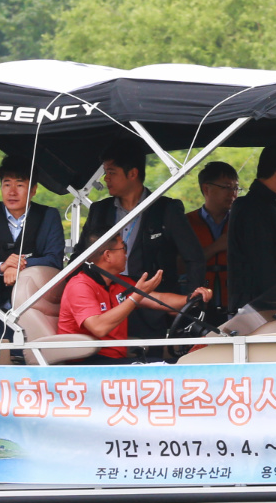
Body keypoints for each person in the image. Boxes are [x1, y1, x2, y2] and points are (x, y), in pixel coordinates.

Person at [77, 146, 206, 346]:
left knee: (151, 363)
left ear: (133, 174)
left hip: (153, 307)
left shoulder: (166, 209)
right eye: (105, 173)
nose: (105, 179)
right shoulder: (99, 210)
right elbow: (80, 256)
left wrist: (188, 302)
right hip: (108, 305)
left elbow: (194, 258)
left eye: (111, 173)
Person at [0, 157, 67, 345]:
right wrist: (1, 267)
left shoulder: (48, 216)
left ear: (33, 189)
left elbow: (54, 261)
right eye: (6, 184)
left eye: (19, 185)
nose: (11, 192)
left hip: (32, 311)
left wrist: (19, 266)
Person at [57, 233, 207, 364]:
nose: (126, 255)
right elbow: (99, 328)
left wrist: (191, 298)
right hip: (88, 363)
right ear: (108, 255)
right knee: (166, 369)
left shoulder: (118, 282)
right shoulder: (80, 285)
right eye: (124, 248)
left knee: (177, 364)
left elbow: (160, 299)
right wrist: (135, 297)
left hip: (113, 361)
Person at [227, 144, 276, 311]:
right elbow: (263, 265)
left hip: (275, 304)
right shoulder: (250, 208)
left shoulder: (272, 207)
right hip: (262, 309)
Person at [188, 160, 241, 314]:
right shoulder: (186, 223)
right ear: (206, 188)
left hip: (235, 305)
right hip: (197, 306)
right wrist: (217, 246)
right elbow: (177, 266)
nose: (233, 193)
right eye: (227, 187)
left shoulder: (242, 223)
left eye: (236, 188)